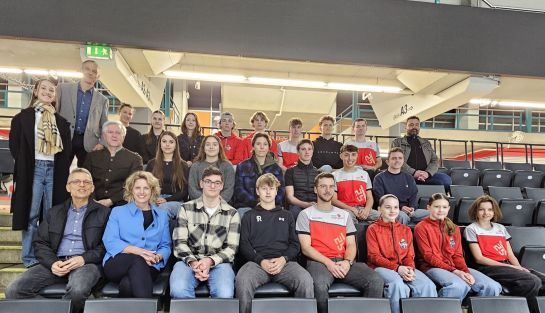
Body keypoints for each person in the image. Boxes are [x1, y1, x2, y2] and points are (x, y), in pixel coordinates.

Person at [6, 168, 109, 313]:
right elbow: (40, 243)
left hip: (86, 264)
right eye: (76, 181)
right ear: (68, 187)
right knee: (14, 290)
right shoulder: (54, 212)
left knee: (78, 291)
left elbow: (107, 245)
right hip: (56, 262)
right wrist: (52, 263)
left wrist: (83, 259)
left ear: (92, 188)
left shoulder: (104, 213)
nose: (82, 185)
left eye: (86, 182)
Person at [297, 173, 384, 313]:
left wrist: (347, 262)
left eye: (331, 186)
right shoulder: (306, 214)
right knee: (319, 285)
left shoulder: (344, 215)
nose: (328, 190)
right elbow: (306, 248)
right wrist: (329, 263)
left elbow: (351, 244)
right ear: (315, 189)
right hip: (318, 262)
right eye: (323, 186)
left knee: (376, 281)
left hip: (343, 261)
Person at [9, 77, 72, 267]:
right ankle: (29, 258)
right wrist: (25, 165)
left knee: (52, 216)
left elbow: (66, 151)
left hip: (54, 171)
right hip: (33, 170)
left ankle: (48, 256)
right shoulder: (22, 118)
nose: (47, 92)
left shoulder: (61, 122)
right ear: (36, 91)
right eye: (43, 88)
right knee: (31, 215)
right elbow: (15, 146)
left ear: (55, 96)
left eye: (51, 90)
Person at [236, 173, 314, 313]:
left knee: (305, 280)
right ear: (257, 191)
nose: (267, 192)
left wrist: (283, 259)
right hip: (257, 264)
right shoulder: (249, 216)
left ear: (276, 191)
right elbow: (244, 245)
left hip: (284, 264)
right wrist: (261, 261)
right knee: (243, 280)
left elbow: (295, 244)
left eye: (271, 188)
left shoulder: (287, 215)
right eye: (264, 188)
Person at [465, 195, 545, 312]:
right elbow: (479, 259)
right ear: (475, 211)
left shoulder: (500, 228)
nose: (486, 213)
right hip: (488, 267)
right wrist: (511, 267)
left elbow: (510, 254)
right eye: (481, 209)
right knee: (532, 281)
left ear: (494, 211)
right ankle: (522, 309)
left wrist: (518, 267)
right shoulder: (471, 229)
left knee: (542, 279)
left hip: (506, 265)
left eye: (490, 209)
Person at [414, 193, 502, 300]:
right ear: (428, 207)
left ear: (449, 208)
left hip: (453, 267)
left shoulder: (454, 228)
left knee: (492, 286)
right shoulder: (421, 227)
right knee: (458, 286)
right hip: (431, 267)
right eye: (437, 206)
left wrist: (465, 272)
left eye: (444, 207)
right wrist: (455, 271)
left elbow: (457, 255)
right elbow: (428, 256)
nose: (441, 210)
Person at [170, 167, 241, 299]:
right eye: (208, 181)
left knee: (225, 293)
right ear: (201, 183)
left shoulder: (232, 213)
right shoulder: (186, 208)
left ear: (222, 186)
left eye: (217, 182)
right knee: (178, 289)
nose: (212, 185)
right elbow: (179, 243)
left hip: (219, 263)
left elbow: (232, 248)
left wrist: (209, 261)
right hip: (189, 261)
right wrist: (193, 262)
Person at [102, 171, 171, 298]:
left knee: (127, 285)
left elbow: (165, 245)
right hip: (117, 262)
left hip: (150, 265)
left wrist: (158, 257)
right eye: (137, 188)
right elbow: (110, 240)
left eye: (146, 188)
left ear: (152, 190)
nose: (142, 192)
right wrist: (139, 252)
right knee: (137, 260)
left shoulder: (162, 216)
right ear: (131, 190)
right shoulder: (117, 212)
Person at [366, 194, 437, 313]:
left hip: (403, 266)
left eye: (395, 207)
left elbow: (409, 255)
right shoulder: (373, 229)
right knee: (398, 285)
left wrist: (409, 268)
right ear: (379, 209)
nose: (392, 210)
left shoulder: (406, 230)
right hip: (380, 267)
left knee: (427, 285)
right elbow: (373, 256)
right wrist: (397, 268)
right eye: (388, 207)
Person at [57, 60, 109, 167]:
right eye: (87, 69)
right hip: (64, 138)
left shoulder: (103, 100)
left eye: (94, 71)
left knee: (86, 176)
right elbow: (55, 112)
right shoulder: (63, 88)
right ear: (81, 70)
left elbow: (104, 124)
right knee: (60, 173)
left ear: (98, 76)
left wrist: (102, 143)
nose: (90, 73)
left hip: (89, 143)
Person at [83, 121, 143, 208]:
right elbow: (84, 180)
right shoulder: (92, 156)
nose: (114, 135)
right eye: (110, 132)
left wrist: (111, 201)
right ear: (104, 135)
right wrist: (93, 200)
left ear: (123, 136)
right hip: (92, 202)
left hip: (122, 204)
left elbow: (133, 185)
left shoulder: (135, 159)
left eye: (118, 133)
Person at [391, 116, 452, 191]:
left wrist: (427, 173)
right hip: (407, 175)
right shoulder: (397, 142)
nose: (414, 127)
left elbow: (434, 160)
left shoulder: (426, 143)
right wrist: (414, 172)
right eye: (411, 125)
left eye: (417, 125)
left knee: (446, 180)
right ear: (405, 127)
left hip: (426, 176)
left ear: (419, 127)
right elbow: (397, 161)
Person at [373, 148, 429, 225]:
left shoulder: (409, 177)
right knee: (402, 216)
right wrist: (400, 208)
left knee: (433, 214)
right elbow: (380, 199)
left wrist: (412, 208)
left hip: (410, 211)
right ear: (387, 162)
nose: (397, 160)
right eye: (394, 158)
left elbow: (414, 195)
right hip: (393, 211)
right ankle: (401, 236)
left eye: (400, 158)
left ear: (403, 161)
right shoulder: (379, 178)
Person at [233, 133, 285, 216]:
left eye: (265, 144)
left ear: (269, 147)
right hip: (247, 206)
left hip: (271, 206)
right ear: (253, 146)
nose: (262, 147)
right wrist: (257, 203)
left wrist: (267, 204)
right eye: (258, 144)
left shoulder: (276, 169)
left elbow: (281, 191)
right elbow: (239, 190)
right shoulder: (242, 166)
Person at [145, 131, 189, 219]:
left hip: (176, 201)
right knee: (146, 208)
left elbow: (185, 191)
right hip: (154, 199)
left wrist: (167, 200)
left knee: (162, 209)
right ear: (160, 144)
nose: (167, 144)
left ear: (176, 145)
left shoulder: (183, 165)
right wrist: (154, 198)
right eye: (164, 141)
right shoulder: (151, 163)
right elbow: (146, 186)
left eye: (171, 142)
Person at [332, 144, 379, 224]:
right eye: (346, 155)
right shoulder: (334, 175)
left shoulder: (364, 174)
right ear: (341, 156)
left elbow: (370, 197)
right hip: (345, 209)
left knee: (383, 217)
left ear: (357, 156)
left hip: (362, 208)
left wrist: (366, 210)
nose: (350, 158)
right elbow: (333, 200)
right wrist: (352, 209)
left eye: (353, 155)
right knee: (348, 217)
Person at [188, 135, 235, 202]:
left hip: (222, 205)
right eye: (207, 144)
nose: (211, 147)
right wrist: (205, 202)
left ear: (219, 148)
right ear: (203, 148)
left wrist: (215, 202)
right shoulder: (195, 166)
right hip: (199, 204)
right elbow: (192, 189)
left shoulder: (227, 166)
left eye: (215, 144)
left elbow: (228, 190)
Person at [285, 139, 319, 219]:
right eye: (303, 149)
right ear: (298, 152)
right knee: (295, 212)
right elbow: (290, 197)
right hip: (297, 206)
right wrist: (306, 205)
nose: (307, 152)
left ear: (312, 151)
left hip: (315, 205)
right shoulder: (290, 171)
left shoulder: (318, 172)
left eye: (309, 149)